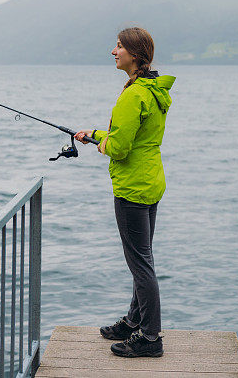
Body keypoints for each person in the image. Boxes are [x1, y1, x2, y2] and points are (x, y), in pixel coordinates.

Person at [75, 26, 175, 358]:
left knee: (140, 263)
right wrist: (95, 133)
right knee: (142, 259)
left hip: (132, 188)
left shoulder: (133, 95)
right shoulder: (150, 89)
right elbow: (129, 135)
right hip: (150, 182)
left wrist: (99, 142)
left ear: (134, 54)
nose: (113, 51)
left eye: (119, 47)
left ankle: (149, 337)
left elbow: (119, 147)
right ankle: (135, 321)